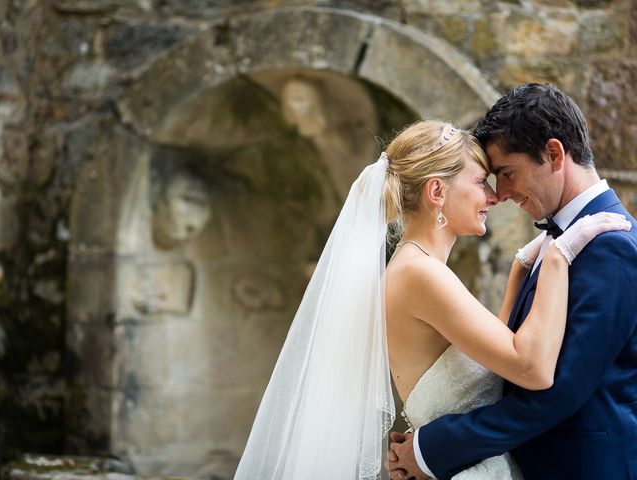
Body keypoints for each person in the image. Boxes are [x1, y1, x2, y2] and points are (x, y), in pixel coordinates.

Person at [234, 118, 629, 479]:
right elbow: (533, 370)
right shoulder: (420, 275)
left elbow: (499, 360)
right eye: (480, 182)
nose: (494, 197)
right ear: (437, 191)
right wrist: (558, 258)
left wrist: (516, 277)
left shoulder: (416, 268)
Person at [388, 84, 637, 480]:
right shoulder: (556, 244)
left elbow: (556, 392)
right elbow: (513, 365)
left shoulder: (610, 246)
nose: (499, 194)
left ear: (554, 154)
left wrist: (430, 448)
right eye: (487, 179)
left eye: (506, 173)